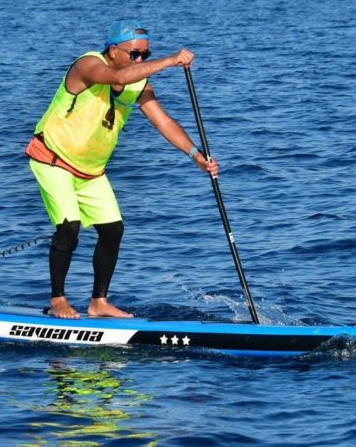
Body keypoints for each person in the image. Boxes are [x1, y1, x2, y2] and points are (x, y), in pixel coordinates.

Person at [26, 19, 218, 319]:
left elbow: (163, 122)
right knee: (69, 227)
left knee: (113, 230)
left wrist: (195, 155)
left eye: (145, 54)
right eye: (135, 54)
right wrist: (168, 61)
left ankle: (98, 302)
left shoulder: (138, 84)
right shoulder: (88, 65)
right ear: (113, 50)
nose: (140, 59)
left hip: (92, 171)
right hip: (52, 160)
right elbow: (115, 75)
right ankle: (58, 300)